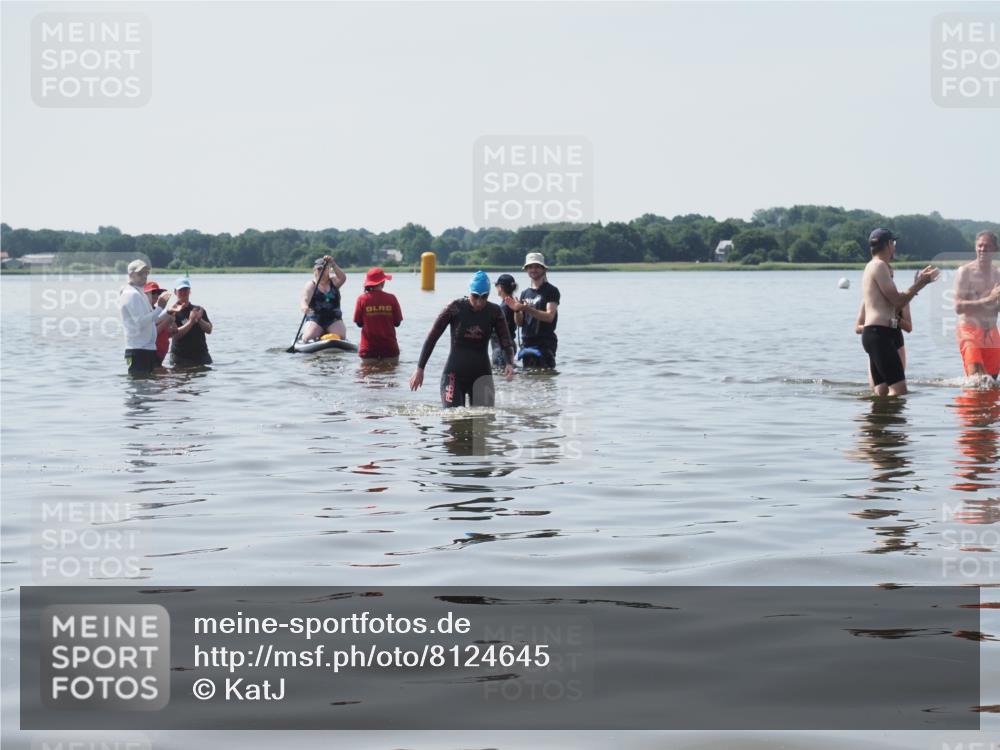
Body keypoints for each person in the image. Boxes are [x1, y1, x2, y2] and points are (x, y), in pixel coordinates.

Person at [409, 271, 515, 407]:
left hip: (481, 375)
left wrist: (510, 363)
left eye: (484, 297)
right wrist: (420, 368)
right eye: (475, 296)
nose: (479, 302)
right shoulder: (455, 308)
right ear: (469, 292)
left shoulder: (494, 311)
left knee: (484, 422)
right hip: (454, 375)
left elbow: (506, 340)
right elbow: (432, 337)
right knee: (454, 420)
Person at [859, 228, 939, 396]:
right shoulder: (879, 265)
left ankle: (879, 420)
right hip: (879, 334)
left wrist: (917, 284)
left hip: (875, 334)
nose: (894, 248)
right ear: (888, 245)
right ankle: (893, 421)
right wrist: (920, 284)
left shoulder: (872, 266)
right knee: (899, 389)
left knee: (881, 391)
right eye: (893, 244)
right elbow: (897, 301)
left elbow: (893, 304)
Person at [953, 230, 1000, 381]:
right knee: (978, 382)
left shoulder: (998, 274)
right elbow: (958, 307)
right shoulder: (965, 272)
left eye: (987, 246)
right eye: (980, 245)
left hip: (992, 333)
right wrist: (989, 298)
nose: (982, 249)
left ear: (995, 249)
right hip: (969, 331)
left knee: (991, 383)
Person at [855, 266, 912, 387]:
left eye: (891, 277)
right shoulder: (868, 300)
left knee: (897, 385)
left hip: (897, 344)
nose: (889, 279)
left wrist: (895, 319)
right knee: (877, 388)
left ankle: (890, 405)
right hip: (878, 341)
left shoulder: (901, 299)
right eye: (887, 276)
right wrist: (876, 323)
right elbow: (857, 327)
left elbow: (909, 327)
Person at [504, 252, 560, 368]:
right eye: (530, 267)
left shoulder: (551, 291)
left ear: (543, 269)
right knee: (528, 381)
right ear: (526, 269)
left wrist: (527, 308)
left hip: (545, 343)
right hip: (527, 344)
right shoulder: (525, 293)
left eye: (537, 266)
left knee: (544, 380)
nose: (533, 270)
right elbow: (519, 323)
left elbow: (549, 317)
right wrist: (516, 310)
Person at [117, 259, 171, 376]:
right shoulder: (131, 294)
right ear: (131, 275)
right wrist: (160, 307)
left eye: (146, 272)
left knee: (149, 391)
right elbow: (141, 322)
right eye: (140, 273)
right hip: (138, 351)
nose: (144, 276)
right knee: (140, 388)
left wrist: (169, 312)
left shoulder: (139, 292)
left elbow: (151, 320)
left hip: (147, 350)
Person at [353, 267, 403, 362]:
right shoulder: (392, 298)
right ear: (382, 282)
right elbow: (397, 323)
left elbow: (359, 323)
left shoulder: (362, 299)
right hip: (390, 349)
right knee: (391, 375)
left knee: (367, 375)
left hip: (368, 350)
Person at [300, 255, 347, 342]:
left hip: (333, 318)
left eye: (324, 269)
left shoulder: (334, 282)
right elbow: (305, 299)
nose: (321, 271)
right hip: (316, 319)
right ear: (314, 270)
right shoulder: (311, 285)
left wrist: (333, 264)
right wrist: (304, 307)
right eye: (319, 269)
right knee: (307, 338)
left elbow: (343, 278)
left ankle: (328, 334)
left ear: (328, 270)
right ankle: (307, 334)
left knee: (341, 336)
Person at [168, 277, 213, 367]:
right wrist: (191, 322)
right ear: (175, 292)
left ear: (190, 291)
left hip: (201, 356)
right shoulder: (172, 311)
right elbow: (175, 335)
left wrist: (199, 319)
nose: (183, 293)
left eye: (186, 290)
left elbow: (209, 330)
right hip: (181, 357)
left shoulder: (198, 309)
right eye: (180, 290)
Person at [144, 280, 175, 367]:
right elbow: (152, 333)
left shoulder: (159, 311)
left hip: (161, 354)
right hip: (151, 353)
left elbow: (167, 333)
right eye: (153, 292)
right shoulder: (144, 311)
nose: (156, 295)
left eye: (158, 293)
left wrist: (172, 329)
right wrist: (167, 321)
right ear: (145, 294)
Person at [490, 273, 518, 367]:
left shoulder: (504, 307)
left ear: (500, 287)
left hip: (501, 348)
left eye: (496, 286)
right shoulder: (514, 304)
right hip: (510, 345)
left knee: (501, 375)